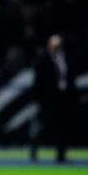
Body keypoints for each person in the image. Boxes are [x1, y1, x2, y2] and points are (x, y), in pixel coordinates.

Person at [30, 34, 77, 163]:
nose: (56, 47)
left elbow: (71, 79)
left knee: (63, 128)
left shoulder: (67, 58)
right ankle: (34, 150)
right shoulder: (43, 60)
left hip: (64, 99)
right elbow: (38, 82)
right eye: (54, 44)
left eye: (58, 44)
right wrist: (37, 100)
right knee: (43, 126)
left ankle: (61, 155)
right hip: (48, 100)